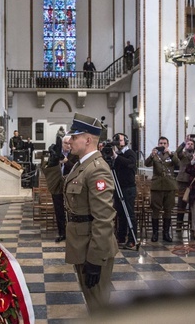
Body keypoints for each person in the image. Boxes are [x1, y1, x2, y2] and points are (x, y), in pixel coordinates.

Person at [42, 113, 118, 313]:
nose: (71, 141)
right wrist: (51, 164)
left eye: (75, 137)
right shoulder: (80, 165)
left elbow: (104, 219)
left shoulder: (97, 169)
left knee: (99, 305)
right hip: (81, 243)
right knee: (92, 301)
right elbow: (58, 189)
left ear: (88, 139)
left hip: (93, 248)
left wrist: (95, 258)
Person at [145, 137, 179, 242]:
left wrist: (171, 154)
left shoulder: (172, 154)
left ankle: (166, 233)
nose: (163, 145)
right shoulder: (155, 155)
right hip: (157, 186)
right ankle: (155, 233)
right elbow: (147, 163)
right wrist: (151, 155)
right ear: (158, 144)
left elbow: (178, 163)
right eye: (161, 143)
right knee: (155, 209)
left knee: (168, 209)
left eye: (165, 143)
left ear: (168, 145)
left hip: (169, 185)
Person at [47, 135, 78, 243]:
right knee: (59, 210)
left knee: (71, 210)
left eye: (70, 144)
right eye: (66, 143)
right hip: (57, 185)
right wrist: (53, 158)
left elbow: (76, 168)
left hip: (70, 186)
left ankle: (71, 233)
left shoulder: (75, 155)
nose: (68, 146)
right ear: (62, 144)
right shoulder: (56, 154)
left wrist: (66, 161)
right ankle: (62, 233)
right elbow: (48, 167)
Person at [111, 133, 138, 250]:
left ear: (126, 141)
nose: (118, 142)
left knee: (129, 213)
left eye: (120, 140)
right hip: (118, 187)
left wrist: (116, 157)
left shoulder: (130, 153)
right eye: (116, 140)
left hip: (128, 188)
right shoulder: (116, 155)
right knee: (120, 213)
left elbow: (130, 164)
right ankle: (121, 237)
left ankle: (132, 239)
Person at [175, 136, 195, 229]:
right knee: (181, 204)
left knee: (193, 204)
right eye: (188, 144)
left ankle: (192, 225)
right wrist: (184, 143)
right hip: (183, 181)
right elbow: (177, 152)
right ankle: (179, 224)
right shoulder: (183, 155)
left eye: (192, 144)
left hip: (193, 181)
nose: (190, 145)